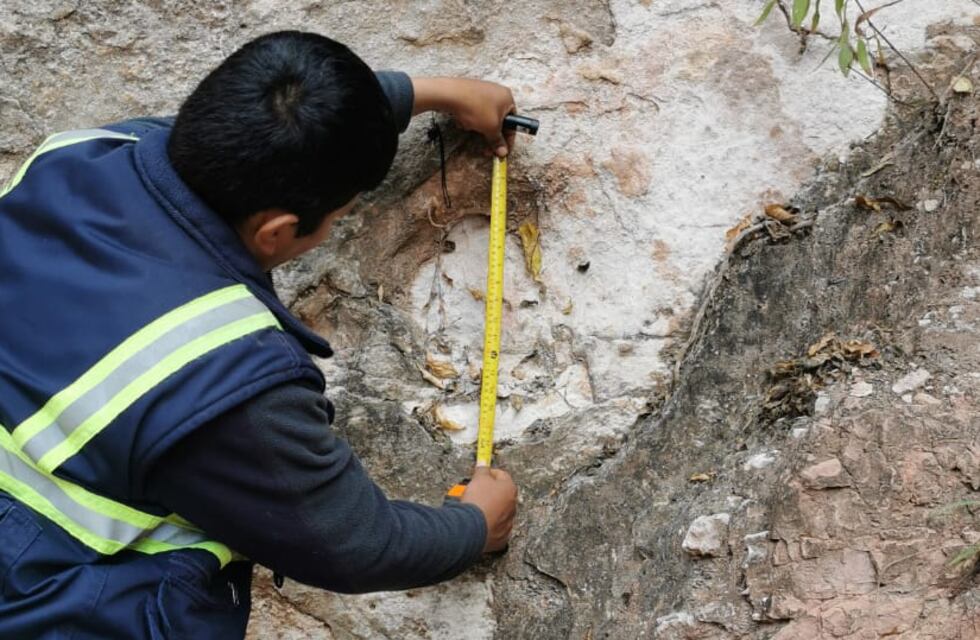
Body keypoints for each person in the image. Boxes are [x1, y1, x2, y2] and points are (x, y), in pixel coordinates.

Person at [0, 30, 518, 638]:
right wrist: (475, 526)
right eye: (338, 216)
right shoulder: (221, 374)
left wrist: (424, 94)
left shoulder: (86, 152)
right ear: (276, 232)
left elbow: (250, 130)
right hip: (45, 594)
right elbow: (352, 543)